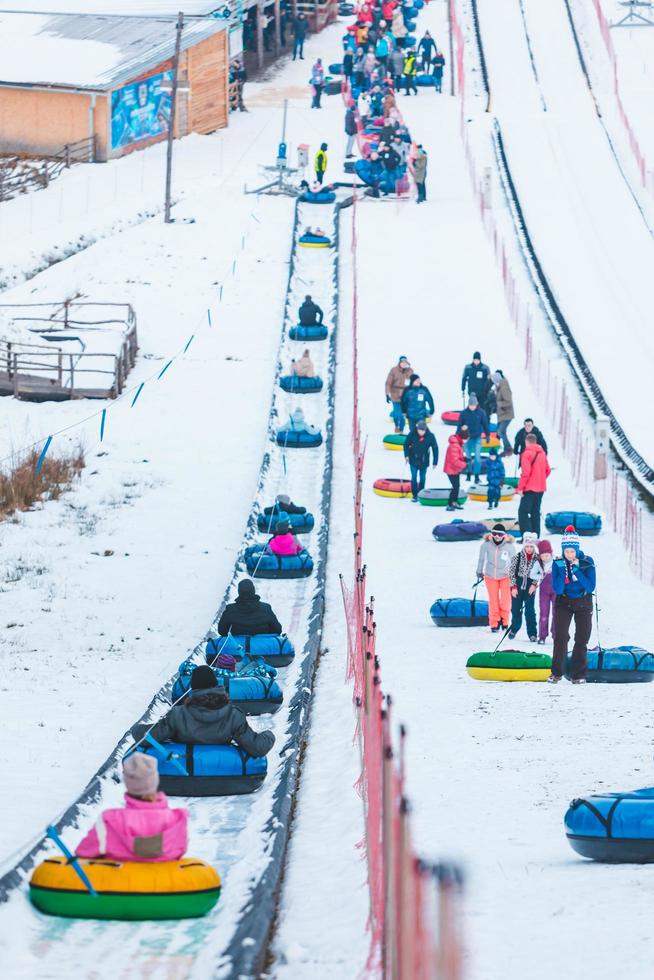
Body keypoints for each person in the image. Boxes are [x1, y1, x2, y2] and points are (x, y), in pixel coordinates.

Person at [76, 754, 188, 862]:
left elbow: (83, 853)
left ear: (128, 783)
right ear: (155, 781)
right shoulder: (177, 820)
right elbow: (179, 853)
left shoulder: (110, 821)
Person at [150, 666, 275, 754]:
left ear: (193, 689)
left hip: (184, 767)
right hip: (223, 771)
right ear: (216, 685)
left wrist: (138, 730)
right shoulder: (233, 714)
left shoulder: (177, 714)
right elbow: (257, 747)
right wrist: (268, 735)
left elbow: (149, 737)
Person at [550, 527, 596, 683]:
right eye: (566, 551)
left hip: (584, 602)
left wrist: (576, 570)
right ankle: (556, 673)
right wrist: (564, 570)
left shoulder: (587, 562)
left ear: (577, 550)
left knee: (582, 638)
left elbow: (590, 586)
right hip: (563, 602)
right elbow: (557, 588)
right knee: (561, 637)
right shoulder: (558, 563)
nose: (569, 555)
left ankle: (578, 675)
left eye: (572, 551)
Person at [476, 523, 515, 632]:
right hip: (490, 576)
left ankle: (505, 620)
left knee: (506, 600)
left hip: (505, 576)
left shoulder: (509, 546)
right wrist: (479, 571)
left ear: (504, 535)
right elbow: (481, 559)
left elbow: (514, 562)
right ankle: (494, 622)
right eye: (494, 534)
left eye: (500, 534)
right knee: (493, 600)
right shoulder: (486, 545)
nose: (497, 536)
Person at [218, 578, 282, 636]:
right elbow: (277, 630)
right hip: (262, 647)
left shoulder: (230, 609)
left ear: (239, 592)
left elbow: (222, 631)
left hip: (238, 646)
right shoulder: (266, 608)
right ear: (253, 591)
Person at [508, 532, 541, 641]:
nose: (529, 549)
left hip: (530, 585)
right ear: (524, 546)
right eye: (527, 546)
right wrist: (513, 587)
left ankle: (532, 633)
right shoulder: (517, 557)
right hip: (518, 584)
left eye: (531, 546)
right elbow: (511, 572)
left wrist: (534, 585)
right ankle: (514, 628)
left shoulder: (537, 558)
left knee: (530, 610)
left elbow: (539, 573)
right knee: (516, 609)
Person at [517, 433, 551, 536]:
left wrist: (520, 488)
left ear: (526, 442)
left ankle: (527, 536)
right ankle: (536, 535)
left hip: (529, 488)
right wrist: (540, 479)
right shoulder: (542, 453)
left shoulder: (526, 454)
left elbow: (526, 473)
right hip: (540, 488)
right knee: (535, 512)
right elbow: (548, 470)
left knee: (523, 512)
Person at [457, 394, 490, 482]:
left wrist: (487, 435)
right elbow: (459, 425)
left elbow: (485, 424)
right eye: (471, 405)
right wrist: (457, 437)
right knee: (468, 457)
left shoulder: (481, 413)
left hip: (477, 438)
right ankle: (468, 473)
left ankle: (476, 475)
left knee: (477, 457)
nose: (472, 407)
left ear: (477, 405)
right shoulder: (464, 413)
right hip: (467, 438)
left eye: (474, 405)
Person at [404, 420, 438, 502]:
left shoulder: (430, 436)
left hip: (424, 461)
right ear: (417, 429)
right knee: (414, 477)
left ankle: (421, 493)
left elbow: (435, 448)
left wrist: (435, 462)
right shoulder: (412, 434)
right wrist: (406, 456)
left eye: (423, 430)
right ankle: (415, 495)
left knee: (422, 478)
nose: (421, 432)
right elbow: (406, 445)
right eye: (419, 430)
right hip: (413, 459)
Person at [385, 355, 413, 433]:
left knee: (403, 415)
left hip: (405, 396)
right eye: (402, 362)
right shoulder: (394, 370)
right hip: (395, 395)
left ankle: (401, 429)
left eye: (405, 363)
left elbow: (412, 380)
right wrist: (387, 394)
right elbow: (388, 383)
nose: (403, 364)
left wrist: (407, 370)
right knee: (397, 414)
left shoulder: (410, 370)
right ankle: (397, 425)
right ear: (399, 362)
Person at [444, 425, 468, 510]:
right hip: (451, 469)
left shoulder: (458, 443)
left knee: (457, 486)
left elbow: (458, 457)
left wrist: (464, 459)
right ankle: (450, 504)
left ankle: (454, 502)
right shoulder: (455, 445)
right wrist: (465, 464)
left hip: (455, 469)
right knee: (455, 486)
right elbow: (454, 461)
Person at [537, 539, 555, 645]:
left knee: (556, 613)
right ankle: (542, 636)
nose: (545, 558)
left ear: (551, 554)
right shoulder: (539, 564)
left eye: (547, 556)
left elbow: (562, 575)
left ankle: (556, 634)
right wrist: (541, 574)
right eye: (542, 556)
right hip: (543, 592)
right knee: (544, 614)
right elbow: (532, 574)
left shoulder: (556, 562)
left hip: (555, 592)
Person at [492, 370, 514, 455]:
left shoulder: (504, 387)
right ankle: (502, 447)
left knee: (501, 431)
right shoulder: (500, 387)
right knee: (500, 431)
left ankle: (508, 448)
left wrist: (498, 404)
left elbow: (508, 402)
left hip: (507, 414)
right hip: (502, 414)